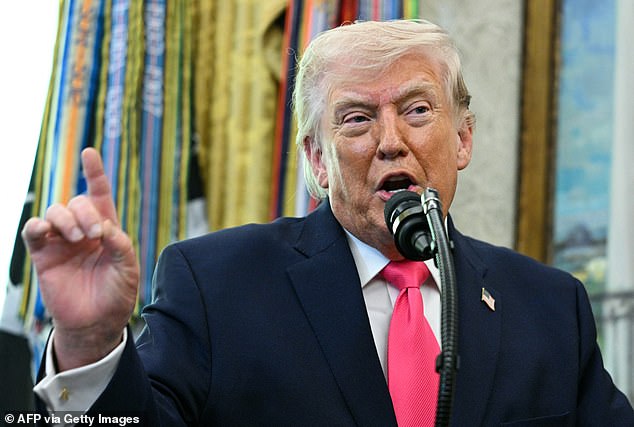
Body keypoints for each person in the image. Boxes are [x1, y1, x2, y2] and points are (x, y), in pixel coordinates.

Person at [23, 19, 633, 426]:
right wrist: (90, 343)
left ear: (463, 138)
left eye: (418, 110)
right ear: (317, 159)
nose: (391, 141)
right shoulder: (215, 285)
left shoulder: (551, 307)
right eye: (357, 119)